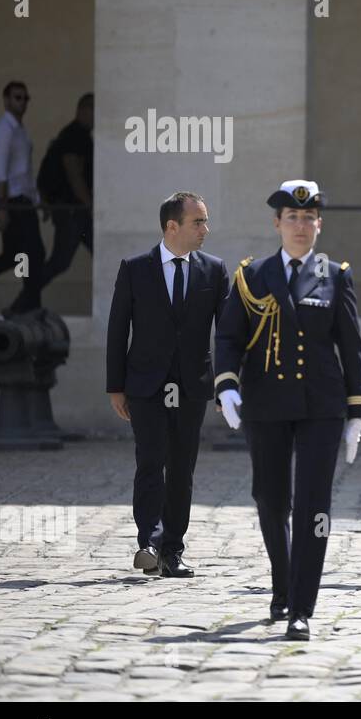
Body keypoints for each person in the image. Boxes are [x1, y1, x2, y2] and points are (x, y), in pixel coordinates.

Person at [213, 180, 361, 641]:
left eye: (309, 218)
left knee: (313, 506)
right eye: (292, 218)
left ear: (319, 224)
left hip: (321, 406)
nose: (301, 226)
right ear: (277, 223)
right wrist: (226, 388)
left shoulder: (334, 274)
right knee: (270, 498)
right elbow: (228, 338)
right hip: (265, 403)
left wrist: (356, 410)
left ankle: (302, 606)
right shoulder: (252, 275)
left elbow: (351, 347)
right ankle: (282, 583)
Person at [105, 192, 229, 579]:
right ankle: (149, 542)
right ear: (172, 226)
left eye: (206, 221)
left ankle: (173, 549)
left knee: (181, 468)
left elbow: (226, 334)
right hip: (145, 384)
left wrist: (227, 385)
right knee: (150, 460)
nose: (205, 229)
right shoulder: (134, 268)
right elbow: (116, 330)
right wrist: (115, 386)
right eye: (198, 222)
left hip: (191, 386)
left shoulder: (214, 270)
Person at [0, 81, 45, 314]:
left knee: (14, 257)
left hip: (23, 202)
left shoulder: (19, 131)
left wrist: (36, 199)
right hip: (13, 203)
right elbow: (0, 173)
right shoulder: (3, 130)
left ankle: (27, 305)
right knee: (32, 254)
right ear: (6, 100)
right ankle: (26, 306)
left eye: (25, 98)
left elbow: (24, 171)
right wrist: (2, 209)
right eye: (17, 98)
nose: (22, 102)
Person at [39, 93, 95, 291]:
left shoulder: (76, 135)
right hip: (73, 210)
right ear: (82, 110)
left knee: (103, 254)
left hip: (75, 209)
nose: (96, 116)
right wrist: (90, 205)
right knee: (60, 261)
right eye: (93, 110)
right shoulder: (74, 136)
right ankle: (25, 300)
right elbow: (74, 174)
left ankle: (25, 299)